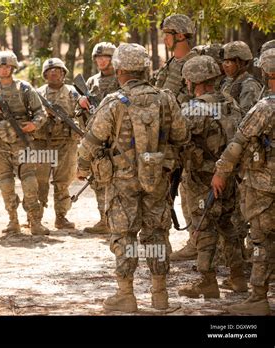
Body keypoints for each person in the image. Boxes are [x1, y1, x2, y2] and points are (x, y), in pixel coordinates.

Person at [77, 43, 189, 312]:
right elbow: (183, 136)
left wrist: (81, 166)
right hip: (158, 179)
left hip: (122, 181)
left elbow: (92, 140)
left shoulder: (114, 102)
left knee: (124, 235)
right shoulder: (166, 99)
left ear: (120, 70)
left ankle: (126, 295)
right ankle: (160, 296)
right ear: (145, 69)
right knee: (157, 235)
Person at [176, 55, 246, 299]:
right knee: (228, 225)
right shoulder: (230, 102)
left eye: (187, 78)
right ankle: (238, 277)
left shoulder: (194, 108)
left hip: (203, 179)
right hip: (229, 177)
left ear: (194, 80)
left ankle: (207, 281)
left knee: (204, 227)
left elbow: (178, 140)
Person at [212, 48, 275, 315]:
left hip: (264, 186)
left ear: (267, 73)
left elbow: (238, 142)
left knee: (261, 240)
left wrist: (220, 173)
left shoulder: (265, 107)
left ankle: (258, 298)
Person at [0, 51, 49, 235]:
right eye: (0, 66)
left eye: (7, 67)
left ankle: (35, 221)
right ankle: (12, 220)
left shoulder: (24, 88)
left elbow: (41, 112)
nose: (4, 70)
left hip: (22, 141)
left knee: (29, 180)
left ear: (13, 68)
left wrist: (33, 125)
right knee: (5, 182)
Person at [153, 14, 200, 262]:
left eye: (167, 34)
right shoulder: (171, 63)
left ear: (180, 35)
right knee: (173, 192)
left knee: (193, 191)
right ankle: (191, 242)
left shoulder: (195, 64)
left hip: (188, 139)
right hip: (167, 140)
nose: (164, 38)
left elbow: (198, 103)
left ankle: (199, 243)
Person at [76, 42, 119, 234]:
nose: (101, 61)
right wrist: (81, 102)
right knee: (97, 178)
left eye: (106, 57)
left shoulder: (120, 79)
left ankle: (118, 219)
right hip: (95, 136)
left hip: (117, 136)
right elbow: (79, 111)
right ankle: (104, 219)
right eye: (98, 58)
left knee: (118, 178)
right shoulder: (91, 82)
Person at [35, 58, 80, 229]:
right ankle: (35, 217)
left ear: (63, 73)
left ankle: (61, 217)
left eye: (57, 70)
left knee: (63, 181)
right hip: (42, 143)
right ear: (45, 75)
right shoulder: (37, 94)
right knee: (40, 181)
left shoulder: (73, 93)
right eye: (50, 71)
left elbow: (82, 116)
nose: (54, 73)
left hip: (66, 143)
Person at [221, 41, 263, 114]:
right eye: (224, 61)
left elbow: (247, 118)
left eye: (228, 62)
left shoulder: (250, 86)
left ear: (241, 63)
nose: (224, 65)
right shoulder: (227, 83)